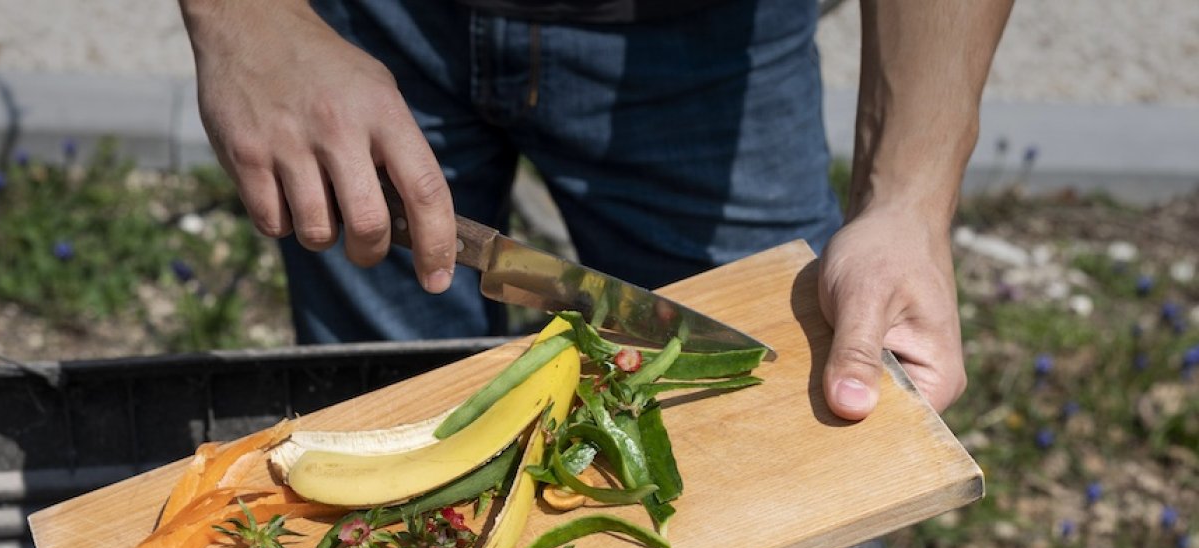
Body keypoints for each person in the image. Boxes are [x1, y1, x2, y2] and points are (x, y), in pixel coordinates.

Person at [177, 0, 1013, 421]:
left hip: (706, 39)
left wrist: (907, 197)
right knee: (390, 415)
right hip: (351, 31)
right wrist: (246, 19)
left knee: (790, 412)